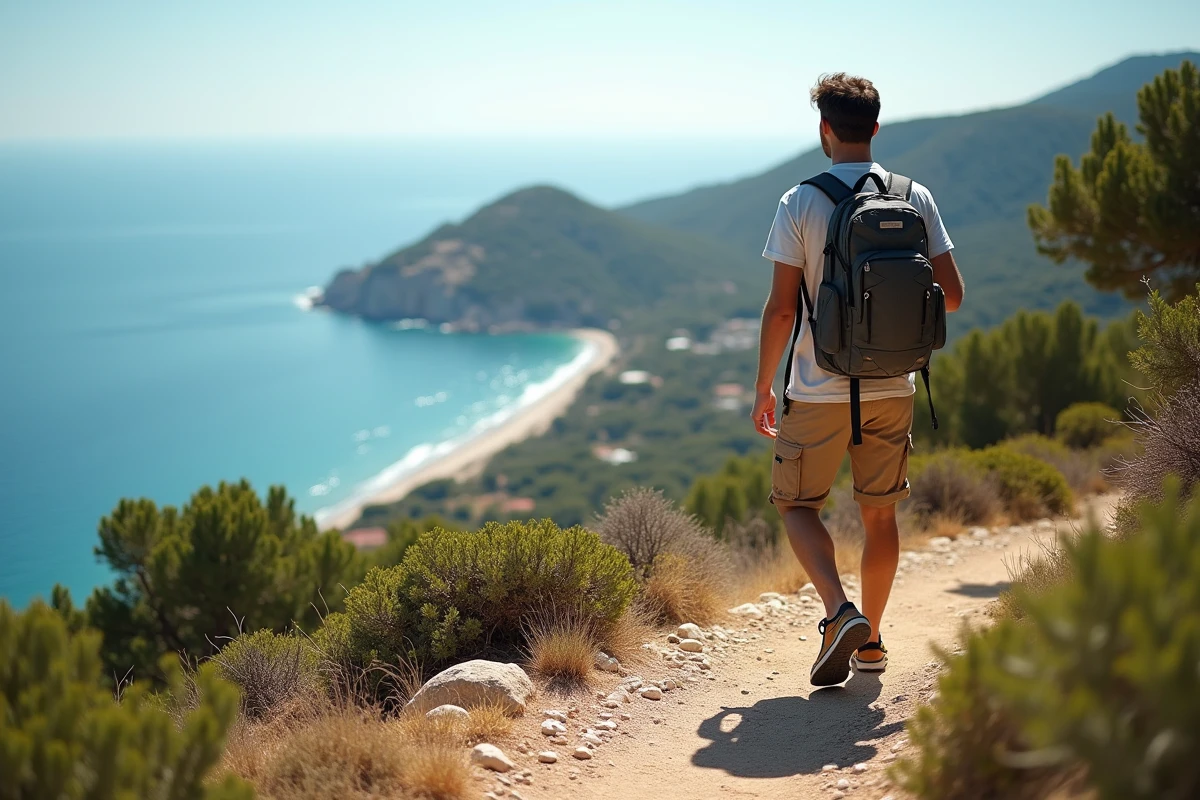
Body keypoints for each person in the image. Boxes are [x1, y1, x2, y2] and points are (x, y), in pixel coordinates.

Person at [752, 73, 965, 687]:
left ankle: (838, 611)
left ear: (824, 129)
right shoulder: (913, 196)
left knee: (796, 503)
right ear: (875, 127)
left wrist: (764, 387)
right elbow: (951, 297)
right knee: (880, 516)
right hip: (894, 384)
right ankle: (870, 641)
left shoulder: (799, 201)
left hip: (817, 387)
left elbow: (784, 310)